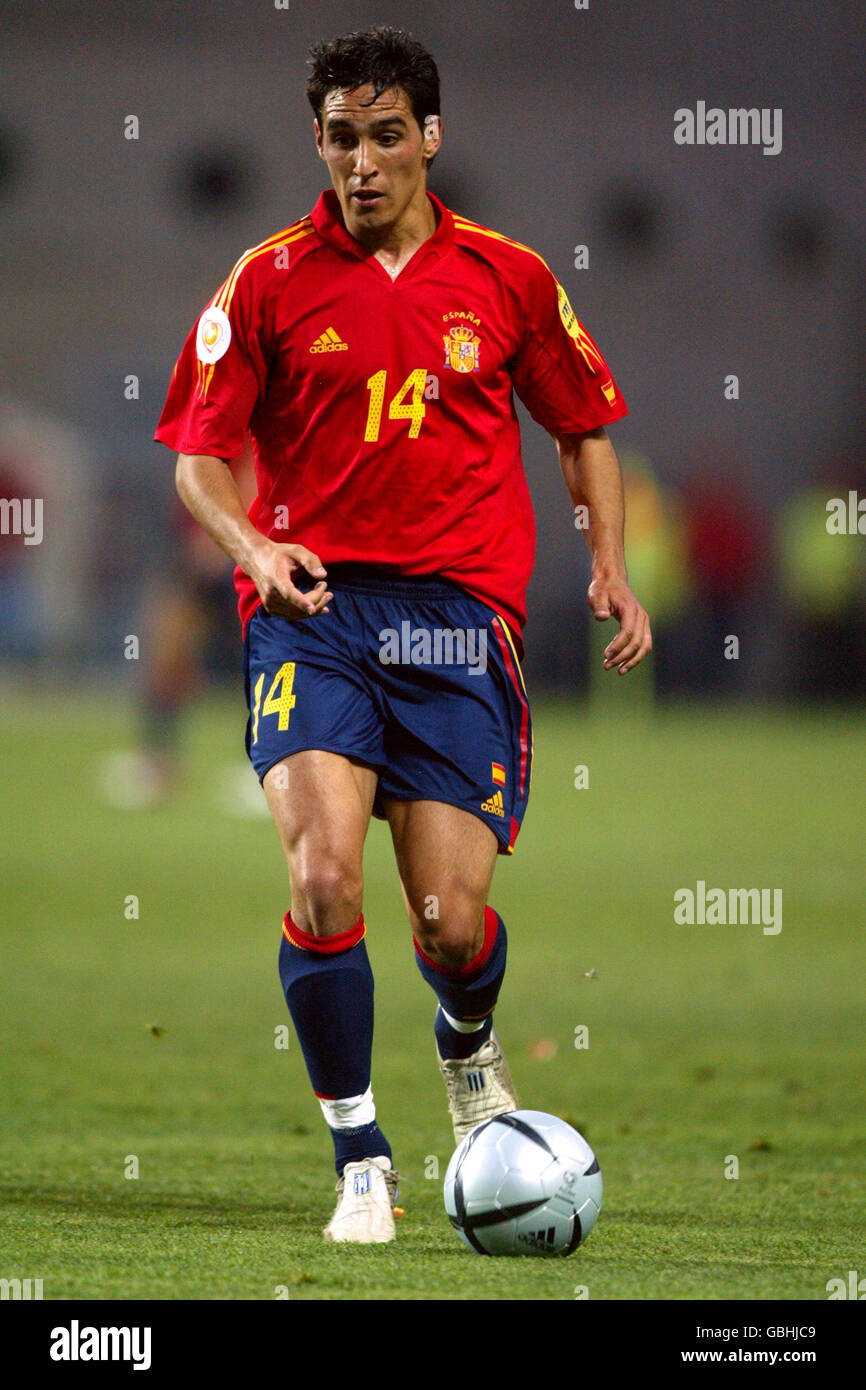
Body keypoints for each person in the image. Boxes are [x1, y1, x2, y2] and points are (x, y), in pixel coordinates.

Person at [154, 25, 651, 1245]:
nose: (362, 163)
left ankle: (468, 1044)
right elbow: (198, 462)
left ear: (430, 138)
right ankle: (360, 1155)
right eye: (339, 139)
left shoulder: (509, 277)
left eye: (386, 137)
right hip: (314, 609)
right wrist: (256, 549)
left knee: (449, 924)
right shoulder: (266, 279)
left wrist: (607, 563)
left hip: (458, 624)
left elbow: (581, 424)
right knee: (322, 877)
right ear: (316, 142)